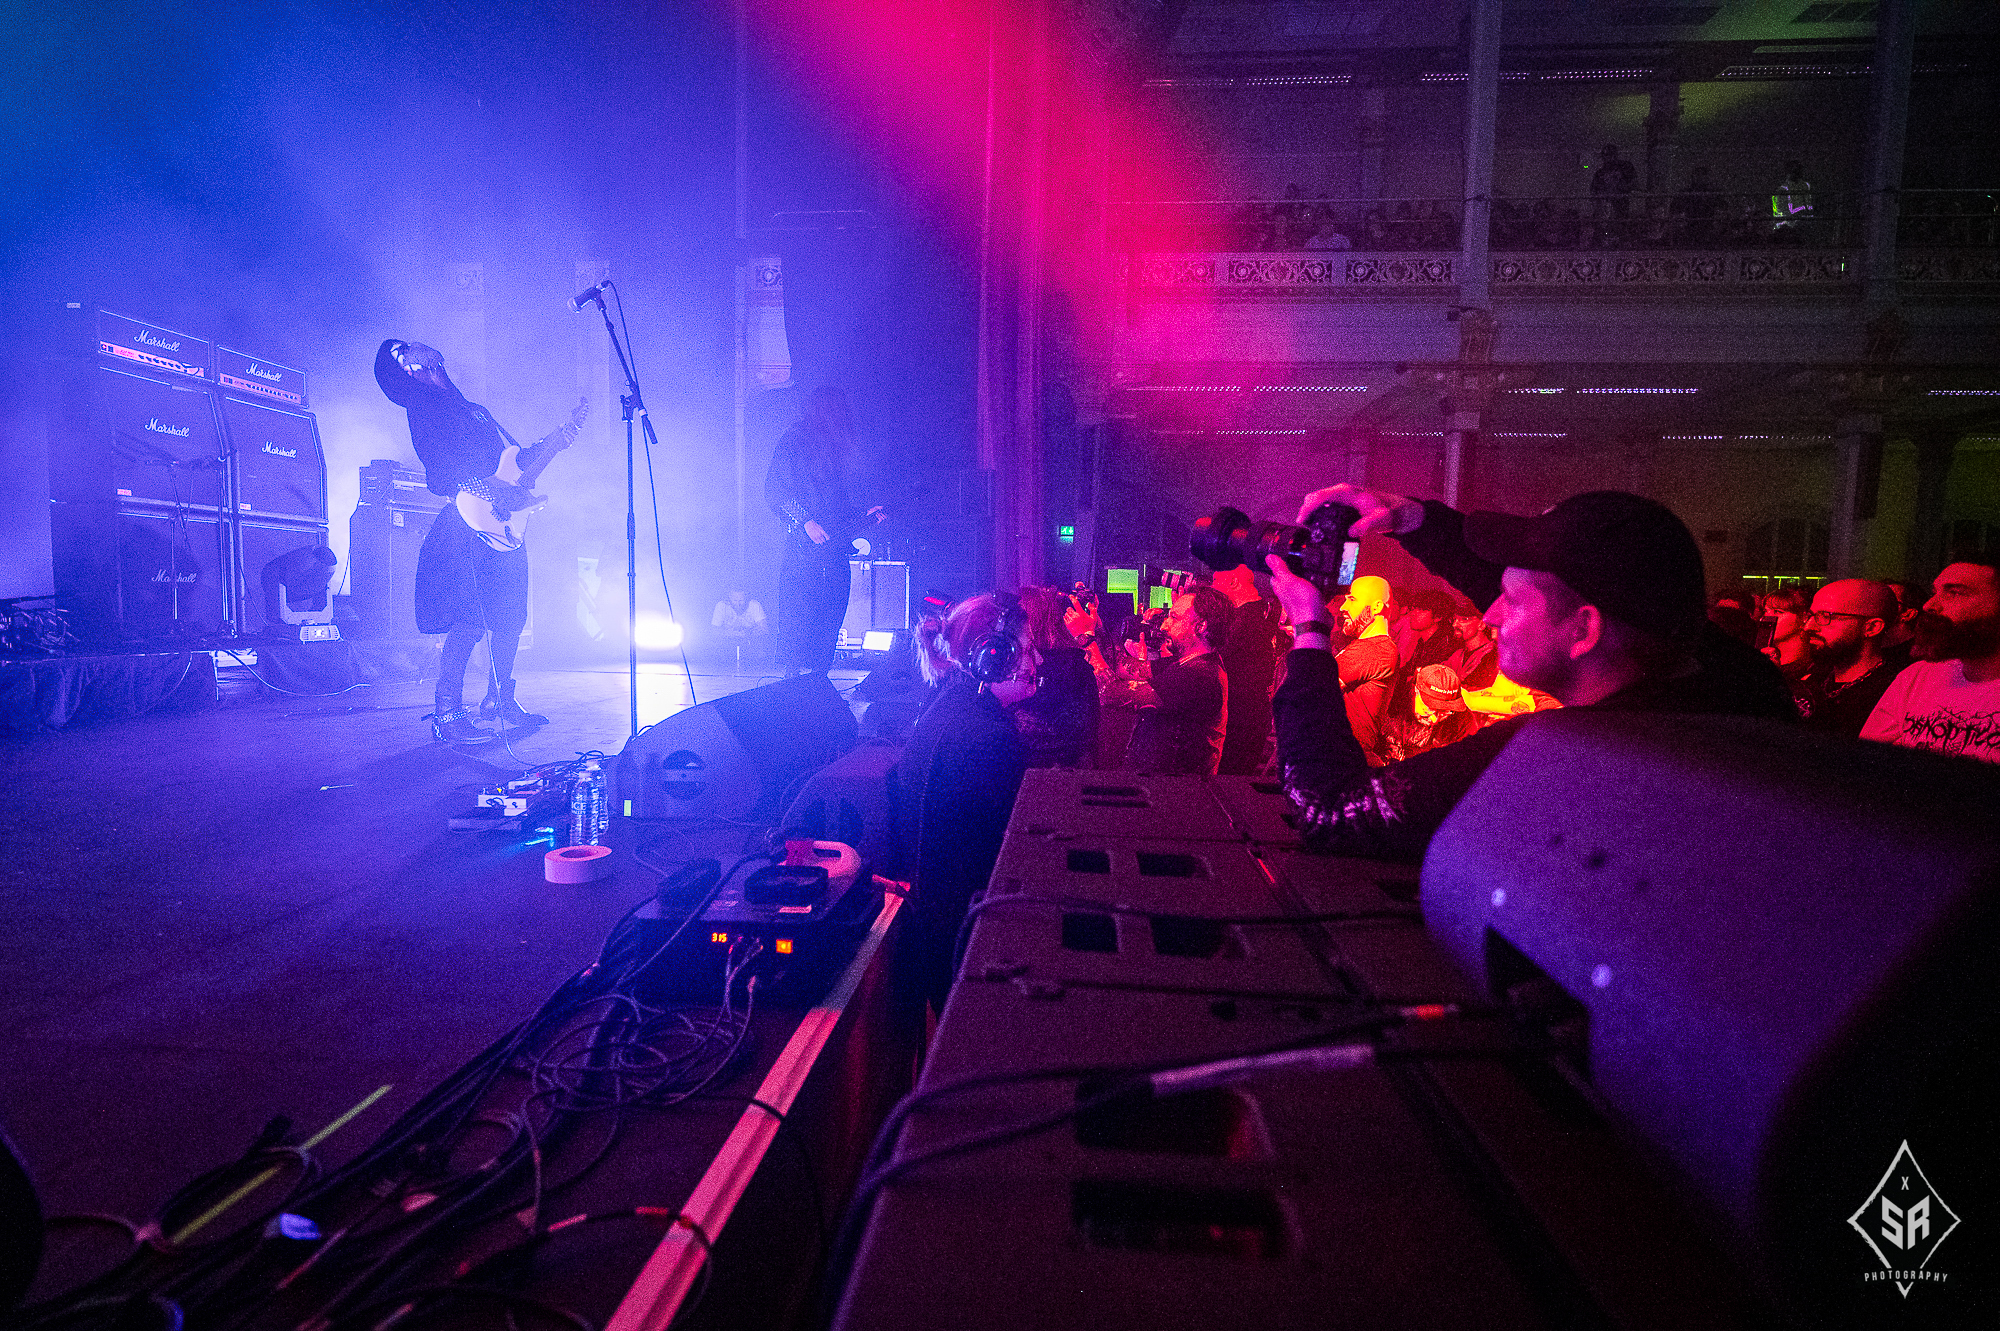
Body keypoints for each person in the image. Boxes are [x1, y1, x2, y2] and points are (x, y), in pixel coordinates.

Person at [1269, 485, 1795, 860]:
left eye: (1512, 601)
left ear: (1584, 631)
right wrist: (1416, 522)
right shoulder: (1743, 691)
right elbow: (1571, 601)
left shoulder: (1560, 756)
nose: (1491, 614)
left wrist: (1310, 630)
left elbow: (1330, 810)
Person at [374, 339, 588, 743]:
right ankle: (448, 712)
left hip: (504, 523)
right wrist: (494, 495)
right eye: (402, 352)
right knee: (469, 618)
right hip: (466, 522)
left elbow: (514, 461)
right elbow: (442, 473)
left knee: (510, 618)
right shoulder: (422, 406)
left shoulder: (473, 409)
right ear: (402, 370)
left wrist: (557, 440)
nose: (414, 347)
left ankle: (498, 700)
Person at [890, 593, 1036, 1026]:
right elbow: (1012, 857)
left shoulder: (953, 708)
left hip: (940, 931)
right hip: (969, 945)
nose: (1037, 661)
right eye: (1028, 650)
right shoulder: (987, 737)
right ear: (993, 658)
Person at [765, 386, 884, 675]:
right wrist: (805, 522)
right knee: (799, 611)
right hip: (803, 550)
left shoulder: (836, 448)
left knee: (832, 610)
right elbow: (775, 489)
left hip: (834, 549)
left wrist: (864, 516)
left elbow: (838, 503)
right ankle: (793, 675)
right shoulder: (794, 441)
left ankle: (819, 674)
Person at [1861, 557, 2000, 763]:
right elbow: (1867, 761)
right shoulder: (1918, 675)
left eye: (1954, 593)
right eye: (1935, 592)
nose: (1928, 605)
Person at [1118, 585, 1232, 775]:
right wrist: (1139, 654)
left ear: (1200, 626)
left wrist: (1086, 638)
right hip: (1169, 783)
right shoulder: (1190, 661)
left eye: (1174, 618)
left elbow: (1113, 694)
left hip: (1178, 788)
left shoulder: (1197, 674)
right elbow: (1130, 671)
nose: (1164, 626)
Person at [1794, 579, 1902, 736]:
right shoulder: (1814, 678)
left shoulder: (1893, 693)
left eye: (1825, 616)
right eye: (1811, 615)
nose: (1808, 627)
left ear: (1872, 627)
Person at [1010, 586, 1099, 768]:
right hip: (1073, 771)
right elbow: (1090, 729)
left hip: (1026, 769)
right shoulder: (1077, 665)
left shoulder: (1020, 666)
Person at [1211, 565, 1285, 776]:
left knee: (1227, 783)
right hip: (1254, 717)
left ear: (1233, 582)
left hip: (1238, 721)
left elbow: (1214, 662)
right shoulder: (1264, 613)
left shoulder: (1243, 620)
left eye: (1216, 580)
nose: (1212, 587)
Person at [1329, 574, 1399, 765]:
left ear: (1376, 607)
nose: (1343, 607)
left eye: (1352, 599)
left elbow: (1313, 688)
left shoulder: (1374, 649)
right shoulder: (1370, 647)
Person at [1382, 664, 1481, 763]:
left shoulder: (1459, 724)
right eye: (1429, 709)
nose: (1434, 719)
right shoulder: (1386, 702)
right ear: (1415, 689)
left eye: (1445, 712)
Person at [1759, 587, 1812, 689]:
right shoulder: (1762, 654)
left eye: (1778, 612)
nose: (1766, 618)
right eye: (1765, 611)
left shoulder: (1811, 668)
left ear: (1804, 617)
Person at [1590, 144, 1638, 246]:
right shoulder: (1600, 173)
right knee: (1604, 226)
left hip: (1621, 203)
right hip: (1605, 205)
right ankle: (1602, 244)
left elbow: (1634, 184)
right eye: (1605, 155)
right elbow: (1593, 191)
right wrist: (1599, 202)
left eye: (1610, 155)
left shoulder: (1625, 167)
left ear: (1615, 155)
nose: (1607, 158)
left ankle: (1622, 245)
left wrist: (1621, 187)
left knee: (1621, 225)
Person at [1771, 160, 1814, 242]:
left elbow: (1809, 202)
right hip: (1791, 226)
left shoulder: (1806, 185)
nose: (1797, 173)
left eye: (1798, 170)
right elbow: (1781, 212)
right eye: (1794, 170)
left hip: (1806, 222)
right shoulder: (1783, 189)